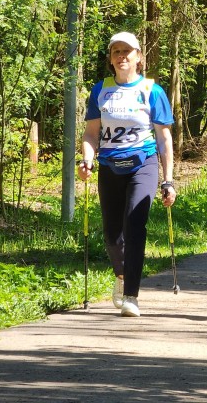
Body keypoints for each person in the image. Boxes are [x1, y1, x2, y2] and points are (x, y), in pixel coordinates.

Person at [78, 31, 176, 317]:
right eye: (116, 52)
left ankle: (132, 294)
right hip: (109, 165)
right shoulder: (101, 89)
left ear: (139, 57)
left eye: (127, 51)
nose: (122, 56)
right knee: (112, 234)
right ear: (111, 58)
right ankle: (121, 277)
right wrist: (87, 159)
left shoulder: (151, 90)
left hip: (142, 163)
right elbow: (91, 133)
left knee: (135, 225)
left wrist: (168, 179)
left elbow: (164, 138)